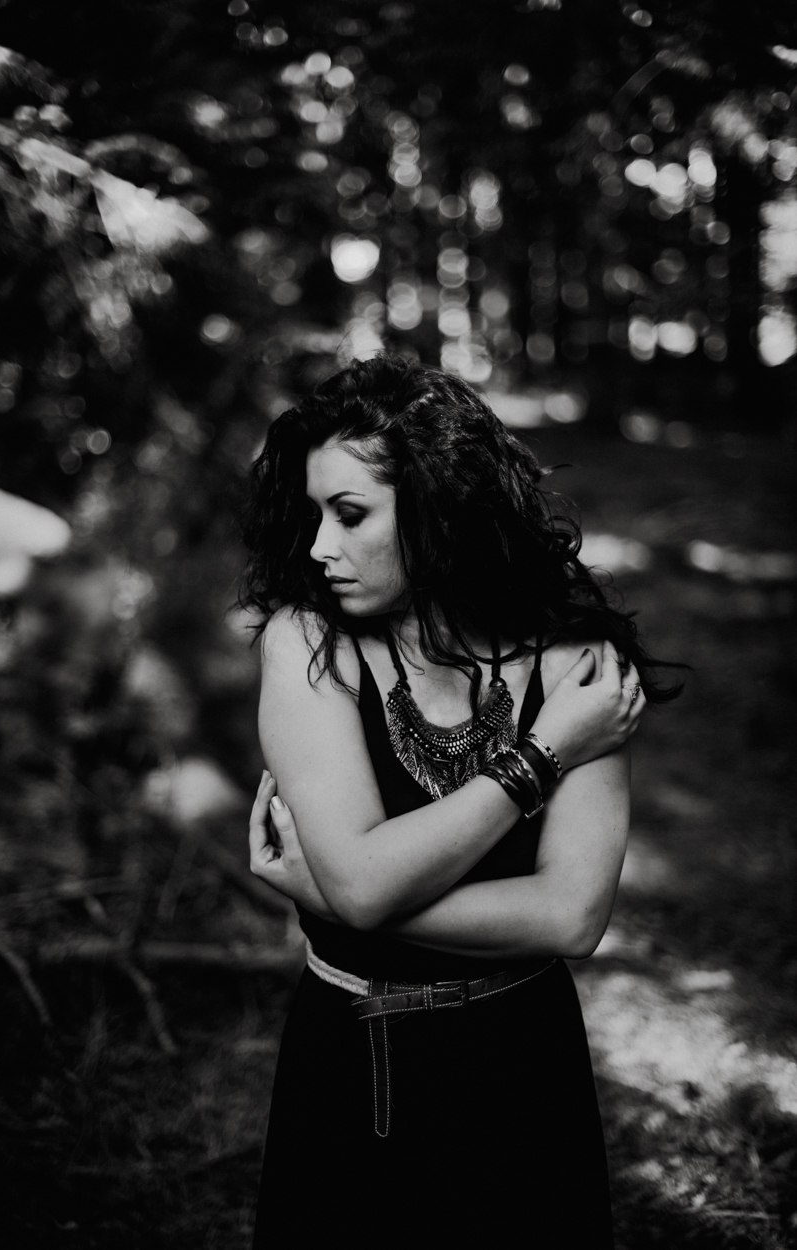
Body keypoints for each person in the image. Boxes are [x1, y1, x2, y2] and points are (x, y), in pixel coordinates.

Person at [239, 354, 678, 1248]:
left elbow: (570, 917)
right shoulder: (309, 644)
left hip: (523, 1062)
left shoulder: (574, 661)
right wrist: (544, 755)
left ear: (438, 506)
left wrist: (338, 892)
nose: (319, 547)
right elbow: (364, 883)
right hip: (355, 1063)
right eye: (315, 515)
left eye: (350, 514)